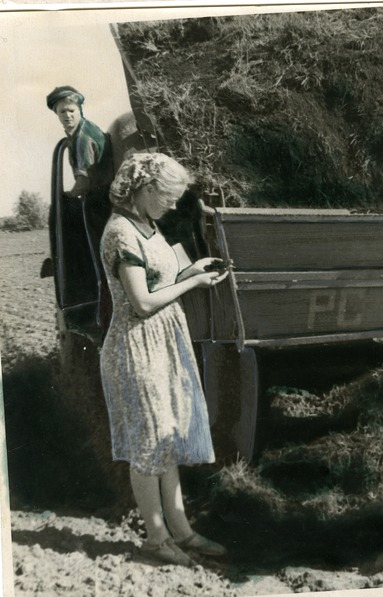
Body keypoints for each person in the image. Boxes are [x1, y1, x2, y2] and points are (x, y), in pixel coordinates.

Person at [100, 152, 229, 566]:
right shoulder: (121, 232)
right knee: (148, 444)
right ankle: (156, 540)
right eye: (169, 196)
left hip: (162, 342)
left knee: (167, 438)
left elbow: (159, 281)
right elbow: (140, 302)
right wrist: (190, 286)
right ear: (147, 189)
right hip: (136, 346)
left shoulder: (148, 225)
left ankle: (183, 533)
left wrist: (192, 272)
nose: (174, 205)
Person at [45, 85, 115, 331]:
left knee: (98, 262)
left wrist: (67, 196)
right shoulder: (80, 134)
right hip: (102, 199)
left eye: (71, 110)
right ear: (57, 114)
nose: (68, 116)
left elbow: (84, 180)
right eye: (62, 112)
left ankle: (100, 313)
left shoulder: (82, 139)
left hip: (100, 203)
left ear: (79, 109)